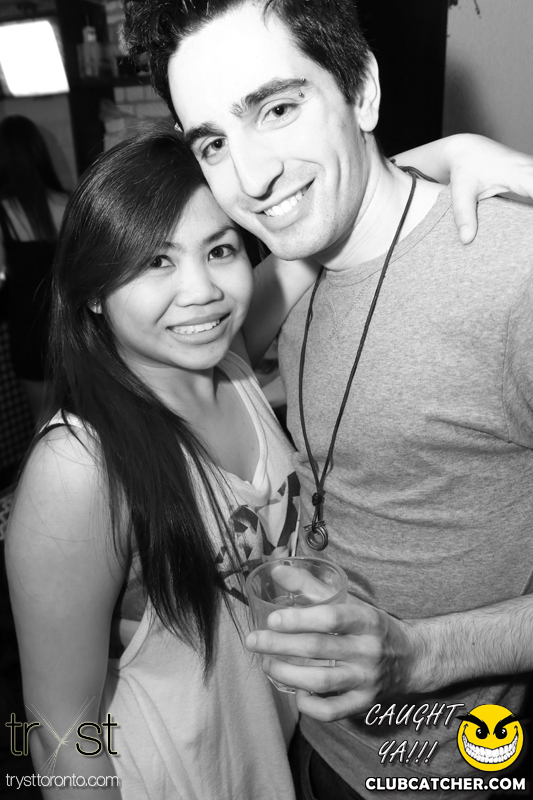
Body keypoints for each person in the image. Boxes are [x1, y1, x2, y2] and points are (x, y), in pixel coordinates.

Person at [122, 3, 533, 799]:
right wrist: (446, 148)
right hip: (311, 750)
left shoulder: (512, 274)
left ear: (362, 90)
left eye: (277, 109)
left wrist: (418, 656)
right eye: (213, 143)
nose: (250, 180)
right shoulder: (279, 274)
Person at [6, 129, 316, 799]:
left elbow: (325, 215)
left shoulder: (231, 365)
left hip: (275, 761)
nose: (202, 291)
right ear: (92, 290)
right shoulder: (79, 468)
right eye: (155, 261)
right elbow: (60, 733)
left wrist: (453, 154)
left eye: (220, 249)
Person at [0, 115, 68, 428]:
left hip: (26, 331)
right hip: (68, 327)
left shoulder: (4, 213)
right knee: (82, 418)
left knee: (43, 422)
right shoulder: (68, 202)